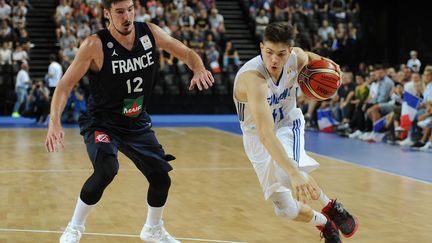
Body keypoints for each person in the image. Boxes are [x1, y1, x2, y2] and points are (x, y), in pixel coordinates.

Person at [44, 1, 214, 243]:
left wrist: (198, 67)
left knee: (161, 178)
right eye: (120, 12)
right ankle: (74, 227)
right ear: (107, 14)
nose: (127, 16)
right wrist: (54, 123)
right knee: (106, 170)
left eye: (130, 9)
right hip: (102, 123)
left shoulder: (150, 33)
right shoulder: (94, 45)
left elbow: (186, 52)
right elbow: (64, 86)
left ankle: (152, 229)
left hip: (136, 121)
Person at [233, 22, 358, 243]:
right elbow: (265, 133)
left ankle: (331, 206)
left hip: (288, 123)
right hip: (258, 136)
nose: (274, 59)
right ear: (261, 47)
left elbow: (313, 58)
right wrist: (293, 173)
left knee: (286, 172)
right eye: (269, 52)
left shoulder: (297, 57)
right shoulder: (253, 79)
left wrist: (332, 69)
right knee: (285, 209)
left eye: (281, 54)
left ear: (289, 50)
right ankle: (324, 222)